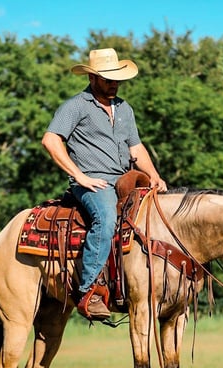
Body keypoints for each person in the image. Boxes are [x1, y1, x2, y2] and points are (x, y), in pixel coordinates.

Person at [42, 48, 167, 321]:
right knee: (107, 219)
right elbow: (50, 140)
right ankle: (88, 291)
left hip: (124, 179)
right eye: (107, 79)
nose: (113, 84)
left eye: (116, 79)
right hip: (93, 183)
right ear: (92, 78)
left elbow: (136, 148)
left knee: (158, 215)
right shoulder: (76, 106)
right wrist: (80, 177)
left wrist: (154, 175)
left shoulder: (124, 109)